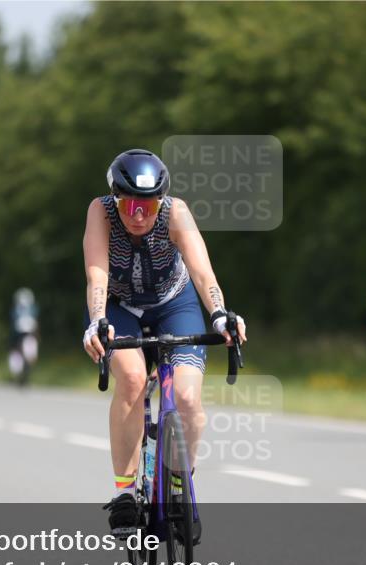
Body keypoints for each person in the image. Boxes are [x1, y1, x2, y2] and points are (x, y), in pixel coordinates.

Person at [82, 148, 247, 534]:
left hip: (175, 304)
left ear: (161, 201)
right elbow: (97, 277)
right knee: (134, 380)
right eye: (129, 205)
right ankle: (125, 492)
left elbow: (204, 274)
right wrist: (96, 321)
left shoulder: (176, 212)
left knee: (188, 398)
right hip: (119, 307)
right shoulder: (100, 212)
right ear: (115, 199)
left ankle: (178, 482)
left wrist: (221, 313)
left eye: (148, 206)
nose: (138, 215)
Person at [8, 288, 39, 383]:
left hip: (21, 335)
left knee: (17, 350)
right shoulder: (33, 309)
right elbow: (36, 323)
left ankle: (20, 372)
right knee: (29, 355)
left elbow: (13, 324)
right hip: (29, 334)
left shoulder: (16, 310)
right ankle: (23, 371)